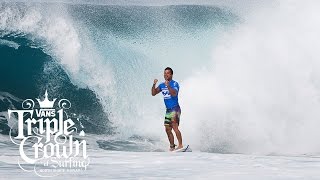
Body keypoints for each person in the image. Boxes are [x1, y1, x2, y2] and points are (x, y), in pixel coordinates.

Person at [151, 67, 183, 151]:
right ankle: (172, 146)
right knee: (167, 129)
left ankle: (180, 145)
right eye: (164, 73)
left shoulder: (175, 84)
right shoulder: (162, 85)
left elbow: (174, 94)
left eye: (168, 73)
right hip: (168, 110)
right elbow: (153, 93)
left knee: (175, 127)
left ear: (171, 74)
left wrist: (168, 86)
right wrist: (154, 84)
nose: (166, 75)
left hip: (175, 108)